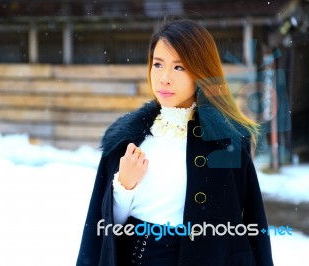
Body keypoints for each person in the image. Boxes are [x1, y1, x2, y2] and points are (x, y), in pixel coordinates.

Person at [77, 19, 273, 266]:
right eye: (158, 64)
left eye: (179, 67)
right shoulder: (126, 138)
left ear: (201, 72)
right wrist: (124, 186)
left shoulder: (227, 142)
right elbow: (105, 229)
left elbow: (251, 227)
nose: (164, 78)